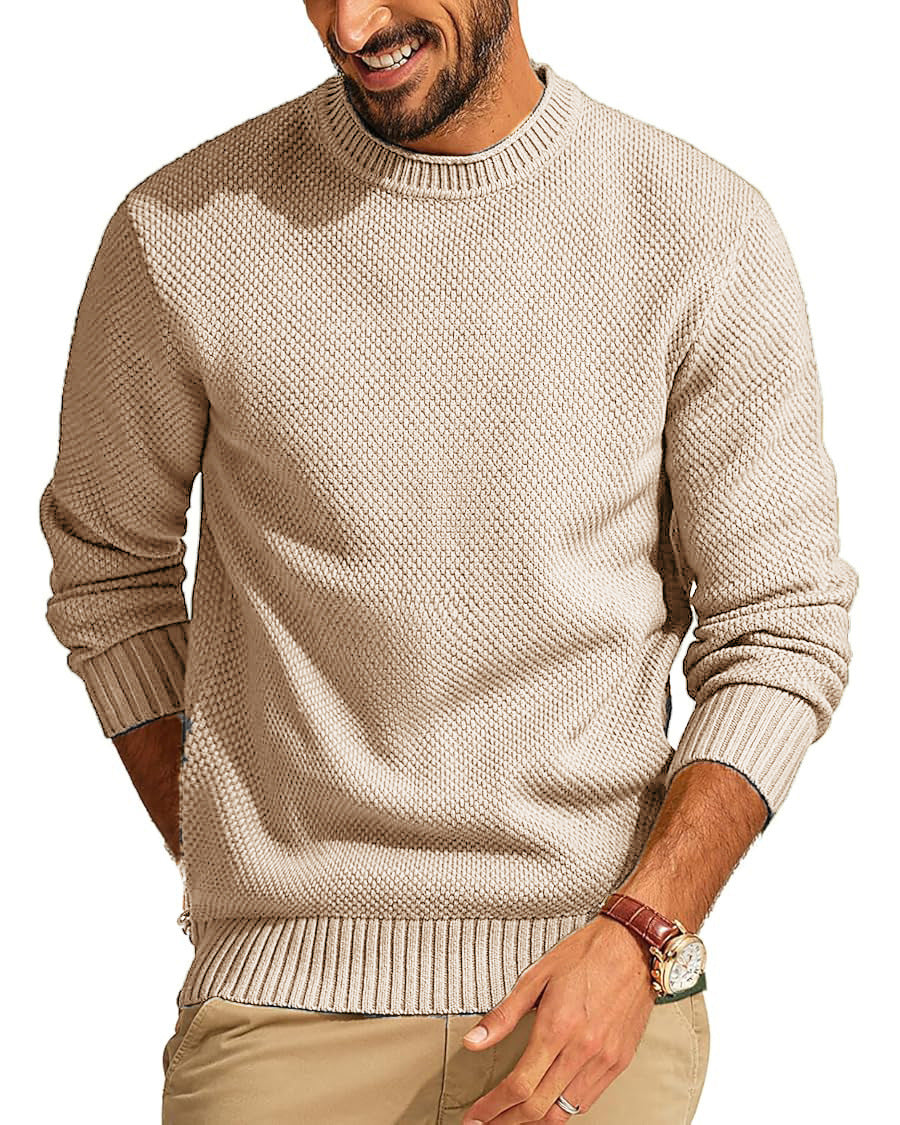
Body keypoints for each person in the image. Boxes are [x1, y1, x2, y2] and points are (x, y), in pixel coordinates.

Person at [38, 1, 858, 1122]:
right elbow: (107, 573)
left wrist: (643, 931)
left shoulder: (698, 227)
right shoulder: (183, 228)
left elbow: (782, 626)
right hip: (277, 1006)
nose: (351, 24)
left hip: (590, 995)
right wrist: (238, 861)